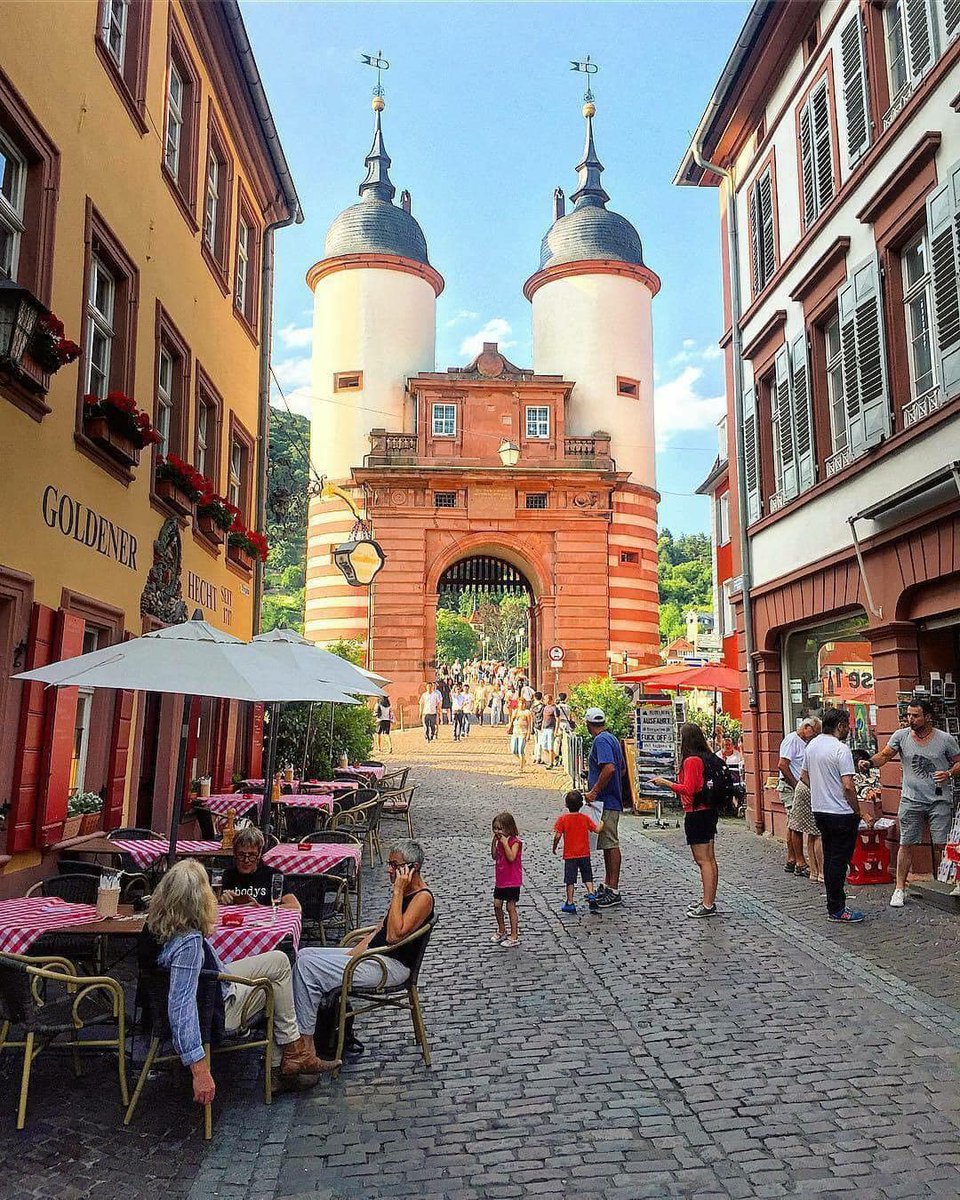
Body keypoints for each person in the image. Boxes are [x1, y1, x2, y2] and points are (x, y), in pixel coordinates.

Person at [143, 860, 337, 1105]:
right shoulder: (188, 943)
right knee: (274, 985)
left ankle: (293, 1050)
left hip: (213, 982)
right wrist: (199, 1069)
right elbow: (181, 1005)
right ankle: (284, 1061)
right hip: (218, 1008)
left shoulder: (155, 924)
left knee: (279, 961)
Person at [293, 839, 435, 1060]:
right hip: (373, 957)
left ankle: (305, 1046)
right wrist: (353, 955)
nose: (389, 869)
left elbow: (393, 935)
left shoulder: (422, 898)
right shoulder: (404, 892)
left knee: (306, 966)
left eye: (394, 865)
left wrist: (397, 890)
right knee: (304, 954)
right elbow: (379, 930)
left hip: (390, 966)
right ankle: (306, 1039)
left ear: (411, 868)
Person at [870, 698, 960, 908]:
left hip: (939, 799)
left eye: (915, 715)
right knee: (906, 843)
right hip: (911, 799)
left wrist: (948, 773)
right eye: (908, 715)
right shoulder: (901, 736)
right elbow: (885, 755)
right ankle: (899, 889)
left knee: (942, 845)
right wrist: (869, 762)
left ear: (927, 717)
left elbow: (958, 763)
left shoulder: (945, 739)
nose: (910, 719)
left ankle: (945, 883)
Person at [801, 707, 864, 923]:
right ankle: (837, 908)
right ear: (840, 726)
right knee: (839, 861)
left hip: (821, 810)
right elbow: (848, 786)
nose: (848, 730)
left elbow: (803, 776)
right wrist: (857, 810)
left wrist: (821, 790)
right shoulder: (841, 749)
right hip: (841, 812)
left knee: (830, 858)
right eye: (847, 726)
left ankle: (833, 905)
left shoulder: (812, 745)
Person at [652, 724, 720, 918]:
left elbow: (688, 789)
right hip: (708, 811)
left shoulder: (691, 761)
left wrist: (665, 783)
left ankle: (707, 904)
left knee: (703, 860)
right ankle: (709, 900)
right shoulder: (706, 757)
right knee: (710, 859)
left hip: (696, 812)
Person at [582, 708, 626, 907]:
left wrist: (595, 790)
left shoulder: (600, 741)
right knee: (607, 844)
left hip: (606, 800)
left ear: (588, 724)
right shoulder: (612, 738)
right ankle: (608, 885)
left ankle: (613, 889)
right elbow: (622, 769)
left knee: (610, 843)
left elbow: (610, 767)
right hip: (610, 798)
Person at [778, 717, 820, 876]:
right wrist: (796, 784)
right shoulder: (792, 740)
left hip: (797, 787)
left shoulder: (804, 743)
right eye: (814, 732)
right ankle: (800, 862)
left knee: (793, 823)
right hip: (790, 787)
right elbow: (783, 765)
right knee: (795, 824)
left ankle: (792, 859)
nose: (814, 736)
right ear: (807, 727)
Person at [221, 827, 301, 909]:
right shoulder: (228, 875)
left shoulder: (273, 875)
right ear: (234, 853)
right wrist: (222, 901)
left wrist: (260, 908)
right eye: (241, 855)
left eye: (252, 855)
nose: (246, 860)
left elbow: (295, 907)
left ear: (259, 854)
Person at [552, 790, 601, 914]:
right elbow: (597, 830)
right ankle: (591, 893)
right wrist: (603, 821)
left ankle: (570, 902)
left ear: (566, 805)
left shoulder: (563, 819)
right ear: (581, 804)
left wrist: (554, 847)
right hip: (584, 853)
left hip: (570, 855)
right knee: (587, 876)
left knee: (570, 879)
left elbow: (557, 836)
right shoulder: (585, 818)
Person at [490, 812, 522, 948]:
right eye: (495, 828)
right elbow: (494, 856)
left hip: (512, 880)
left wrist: (504, 843)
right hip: (501, 880)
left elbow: (511, 857)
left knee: (510, 907)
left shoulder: (515, 842)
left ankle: (514, 935)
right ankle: (502, 929)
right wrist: (494, 842)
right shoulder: (498, 841)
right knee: (497, 904)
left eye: (500, 828)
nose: (497, 831)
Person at [509, 701, 531, 771]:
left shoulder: (527, 712)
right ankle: (523, 760)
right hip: (515, 732)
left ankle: (521, 767)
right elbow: (511, 721)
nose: (522, 705)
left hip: (523, 732)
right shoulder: (515, 711)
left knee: (520, 750)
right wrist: (509, 727)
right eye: (520, 703)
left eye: (523, 703)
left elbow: (529, 724)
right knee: (514, 750)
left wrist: (528, 734)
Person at [540, 693, 558, 770]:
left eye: (545, 699)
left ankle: (551, 763)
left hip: (551, 728)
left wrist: (556, 730)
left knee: (550, 747)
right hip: (545, 728)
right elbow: (544, 718)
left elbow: (558, 719)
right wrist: (542, 727)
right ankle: (555, 757)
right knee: (544, 746)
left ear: (550, 700)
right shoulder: (545, 708)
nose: (544, 700)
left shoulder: (554, 708)